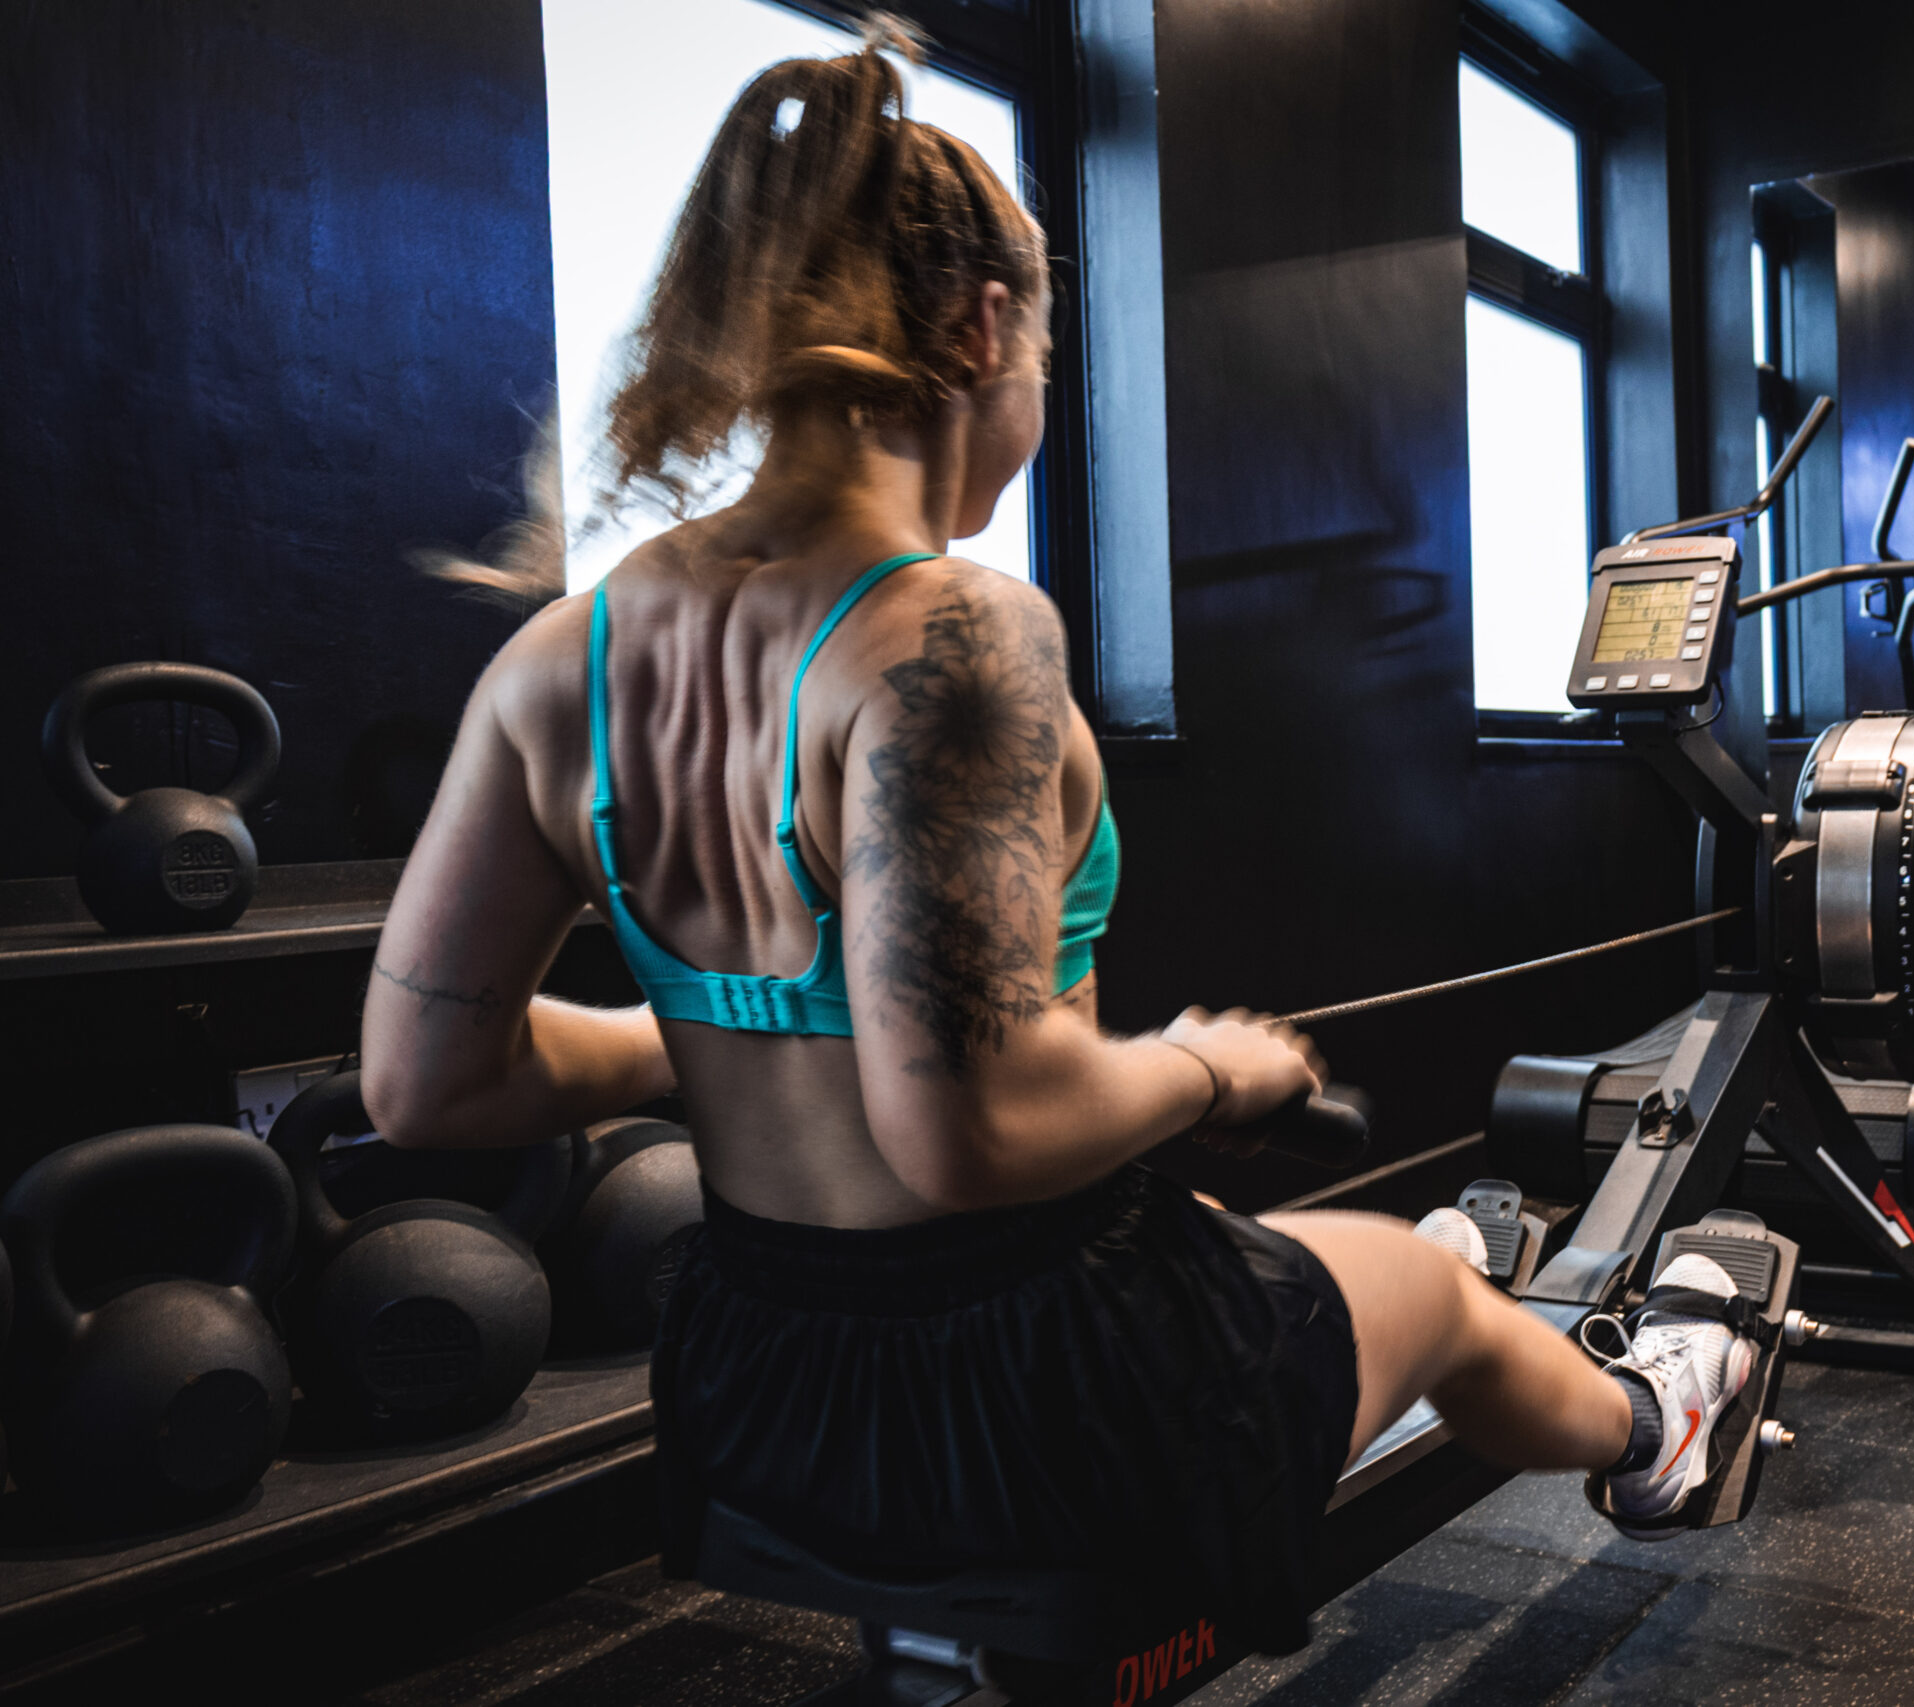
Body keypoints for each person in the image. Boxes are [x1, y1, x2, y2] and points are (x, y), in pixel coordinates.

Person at [360, 23, 1752, 1652]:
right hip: (1044, 1411)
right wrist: (1209, 1070)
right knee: (1439, 1295)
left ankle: (1330, 1297)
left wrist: (737, 1038)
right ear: (982, 323)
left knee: (1245, 1249)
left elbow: (427, 1085)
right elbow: (977, 1134)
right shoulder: (955, 635)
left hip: (757, 1391)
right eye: (1040, 351)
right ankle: (1658, 1420)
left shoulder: (561, 660)